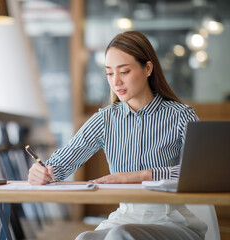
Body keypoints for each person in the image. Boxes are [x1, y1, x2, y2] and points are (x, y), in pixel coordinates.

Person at [28, 31, 207, 240]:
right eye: (110, 73)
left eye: (124, 71)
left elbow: (201, 173)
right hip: (124, 217)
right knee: (84, 238)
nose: (116, 82)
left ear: (148, 68)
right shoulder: (105, 119)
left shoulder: (180, 116)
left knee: (120, 235)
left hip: (171, 220)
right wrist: (42, 172)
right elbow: (59, 165)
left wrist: (139, 176)